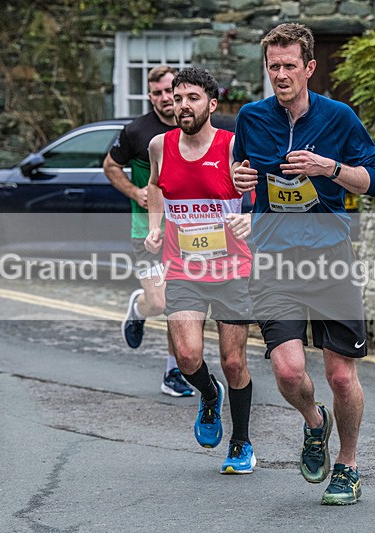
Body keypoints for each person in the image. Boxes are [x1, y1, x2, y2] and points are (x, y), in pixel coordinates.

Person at [232, 23, 375, 504]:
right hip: (275, 262)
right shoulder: (252, 119)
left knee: (341, 375)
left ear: (309, 68)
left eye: (288, 66)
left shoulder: (339, 118)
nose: (280, 74)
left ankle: (348, 466)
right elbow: (243, 176)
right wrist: (239, 181)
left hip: (330, 261)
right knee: (290, 371)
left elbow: (372, 182)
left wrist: (327, 168)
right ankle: (315, 423)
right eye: (272, 66)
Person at [145, 67, 257, 474]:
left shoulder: (231, 147)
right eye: (178, 99)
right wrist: (156, 226)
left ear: (211, 105)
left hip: (231, 268)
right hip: (182, 268)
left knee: (233, 362)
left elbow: (256, 196)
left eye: (192, 98)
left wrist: (250, 220)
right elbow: (156, 187)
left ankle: (241, 443)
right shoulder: (160, 145)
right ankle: (210, 397)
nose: (183, 106)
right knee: (189, 357)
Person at [103, 65, 194, 398]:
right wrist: (135, 192)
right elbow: (110, 166)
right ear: (150, 96)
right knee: (159, 301)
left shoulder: (191, 125)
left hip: (186, 230)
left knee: (177, 303)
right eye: (157, 93)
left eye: (170, 90)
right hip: (147, 229)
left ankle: (173, 371)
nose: (165, 98)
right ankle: (139, 309)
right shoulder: (137, 131)